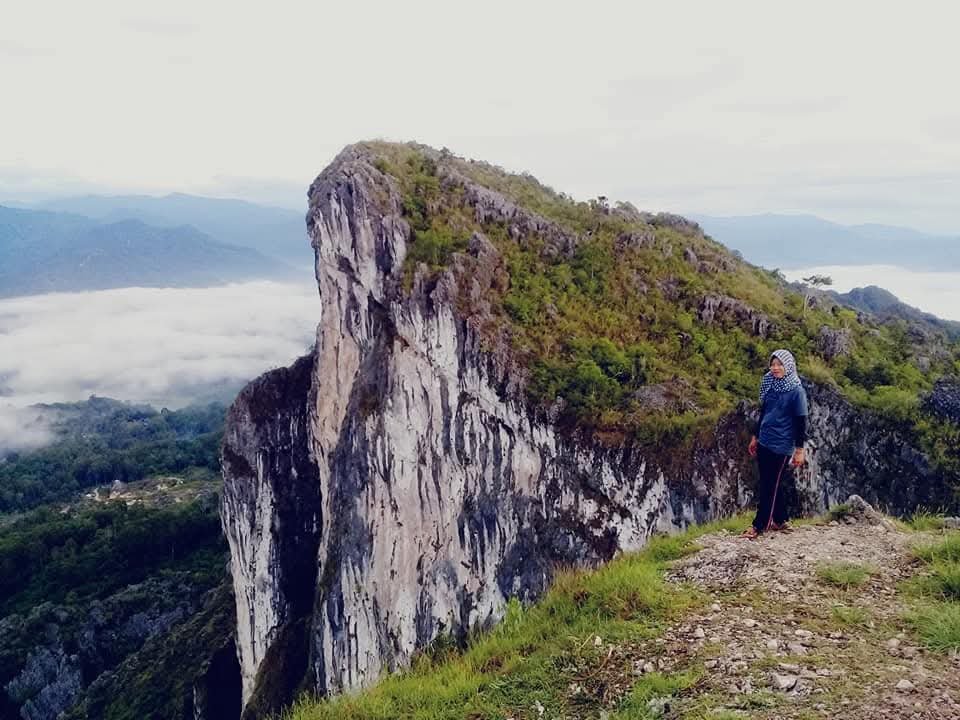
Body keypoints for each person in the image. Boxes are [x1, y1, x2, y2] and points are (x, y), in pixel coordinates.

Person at [741, 349, 808, 540]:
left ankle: (759, 525)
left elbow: (801, 422)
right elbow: (763, 412)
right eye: (773, 364)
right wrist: (755, 436)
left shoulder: (796, 391)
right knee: (770, 482)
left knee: (769, 485)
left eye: (780, 364)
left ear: (789, 366)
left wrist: (799, 450)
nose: (776, 368)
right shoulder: (770, 383)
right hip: (765, 440)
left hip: (781, 445)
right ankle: (780, 519)